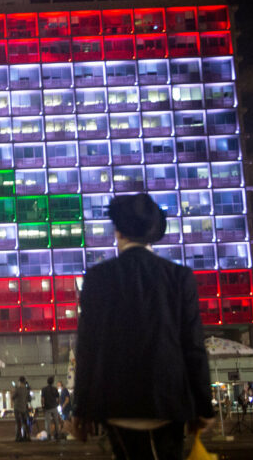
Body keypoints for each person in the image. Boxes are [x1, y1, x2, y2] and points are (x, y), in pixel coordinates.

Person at [73, 193, 215, 459]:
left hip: (116, 404)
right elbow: (193, 346)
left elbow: (87, 350)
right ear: (152, 233)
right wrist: (203, 406)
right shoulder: (179, 277)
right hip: (168, 401)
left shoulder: (97, 278)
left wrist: (81, 409)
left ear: (118, 232)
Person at [40, 376, 61, 441]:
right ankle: (57, 434)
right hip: (54, 407)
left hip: (47, 407)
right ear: (53, 382)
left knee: (48, 422)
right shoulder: (55, 389)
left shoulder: (44, 389)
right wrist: (57, 404)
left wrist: (42, 405)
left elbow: (42, 399)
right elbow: (58, 398)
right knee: (56, 421)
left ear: (47, 381)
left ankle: (49, 435)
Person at [12, 376, 30, 442]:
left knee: (18, 423)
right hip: (24, 408)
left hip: (17, 408)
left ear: (19, 381)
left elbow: (13, 397)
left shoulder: (17, 389)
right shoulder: (27, 389)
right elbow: (29, 399)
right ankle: (28, 436)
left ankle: (18, 437)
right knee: (25, 423)